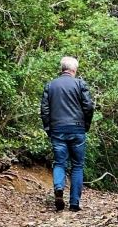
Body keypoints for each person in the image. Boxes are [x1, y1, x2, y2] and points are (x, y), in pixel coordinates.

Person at [40, 56, 94, 212]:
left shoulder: (50, 85)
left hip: (57, 129)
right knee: (77, 165)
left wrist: (48, 128)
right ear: (74, 69)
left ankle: (58, 188)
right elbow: (88, 107)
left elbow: (44, 110)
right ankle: (74, 203)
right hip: (77, 129)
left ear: (62, 68)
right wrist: (86, 125)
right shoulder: (80, 84)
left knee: (59, 163)